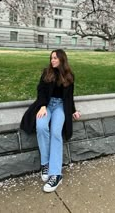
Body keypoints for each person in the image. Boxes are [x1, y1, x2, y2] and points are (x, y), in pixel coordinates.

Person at [20, 49, 81, 193]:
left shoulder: (69, 76)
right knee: (41, 126)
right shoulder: (46, 72)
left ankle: (56, 174)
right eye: (51, 58)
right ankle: (45, 164)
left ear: (62, 59)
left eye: (55, 58)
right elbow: (40, 90)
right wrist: (42, 106)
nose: (52, 60)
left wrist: (73, 111)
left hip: (60, 106)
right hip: (46, 105)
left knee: (55, 132)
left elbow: (69, 97)